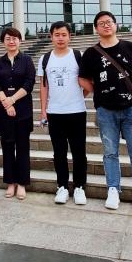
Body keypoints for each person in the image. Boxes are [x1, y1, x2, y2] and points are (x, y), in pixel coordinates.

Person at [79, 11, 132, 213]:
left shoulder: (130, 47)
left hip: (131, 109)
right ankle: (113, 189)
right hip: (106, 111)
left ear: (116, 25)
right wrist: (100, 92)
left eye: (109, 22)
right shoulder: (91, 53)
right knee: (110, 152)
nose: (106, 25)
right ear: (96, 28)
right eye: (101, 23)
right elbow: (82, 79)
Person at [37, 20, 88, 206]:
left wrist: (79, 97)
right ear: (51, 37)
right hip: (55, 113)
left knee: (79, 151)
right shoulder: (45, 59)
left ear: (69, 36)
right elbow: (44, 87)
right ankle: (63, 186)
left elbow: (87, 82)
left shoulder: (78, 55)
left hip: (77, 111)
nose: (60, 38)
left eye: (64, 35)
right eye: (57, 35)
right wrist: (43, 110)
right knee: (59, 152)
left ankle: (80, 186)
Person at [0, 27, 35, 200]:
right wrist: (6, 102)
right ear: (3, 41)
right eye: (8, 38)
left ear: (20, 41)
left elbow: (29, 83)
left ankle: (22, 183)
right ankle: (10, 183)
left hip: (23, 110)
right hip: (4, 111)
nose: (11, 41)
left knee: (23, 148)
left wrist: (12, 100)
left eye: (15, 38)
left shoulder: (27, 60)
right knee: (7, 148)